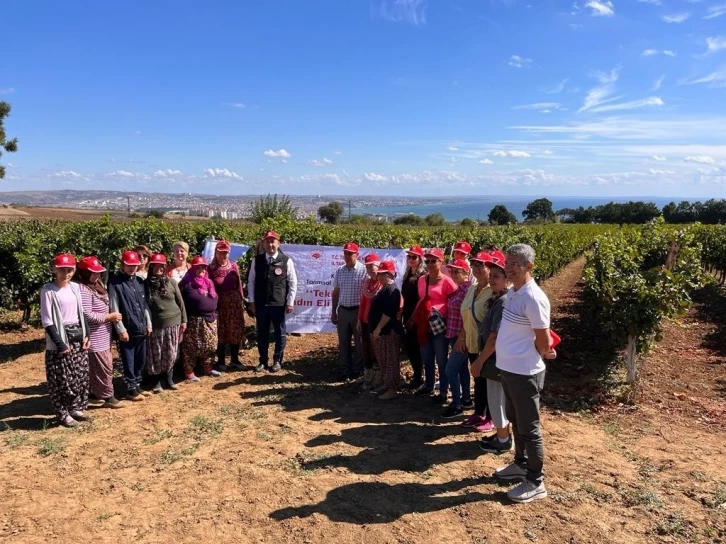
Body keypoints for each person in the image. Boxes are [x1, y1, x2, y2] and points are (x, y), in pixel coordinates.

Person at [493, 243, 556, 504]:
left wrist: (546, 351)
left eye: (515, 264)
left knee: (529, 428)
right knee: (517, 422)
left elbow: (544, 340)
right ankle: (520, 464)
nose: (509, 268)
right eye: (507, 263)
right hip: (509, 369)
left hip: (525, 373)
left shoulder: (533, 297)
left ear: (529, 267)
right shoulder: (515, 292)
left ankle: (535, 481)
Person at [40, 254, 92, 427]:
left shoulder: (76, 288)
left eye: (69, 270)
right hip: (60, 339)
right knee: (62, 379)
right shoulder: (48, 290)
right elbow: (47, 321)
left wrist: (87, 335)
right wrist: (60, 344)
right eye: (62, 270)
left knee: (80, 376)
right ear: (54, 270)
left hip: (77, 336)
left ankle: (75, 407)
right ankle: (62, 413)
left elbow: (81, 313)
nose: (65, 274)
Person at [470, 249, 512, 453]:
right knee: (498, 399)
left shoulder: (503, 302)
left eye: (497, 276)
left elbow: (494, 337)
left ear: (507, 279)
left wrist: (480, 360)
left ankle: (503, 441)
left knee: (497, 400)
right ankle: (502, 434)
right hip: (494, 357)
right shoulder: (497, 298)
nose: (493, 279)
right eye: (492, 275)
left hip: (495, 359)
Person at [73, 256, 124, 409]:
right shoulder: (83, 289)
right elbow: (87, 314)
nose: (96, 275)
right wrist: (109, 317)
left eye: (97, 273)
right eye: (92, 273)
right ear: (83, 273)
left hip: (104, 334)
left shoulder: (96, 285)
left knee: (99, 366)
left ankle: (95, 394)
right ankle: (108, 396)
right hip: (95, 335)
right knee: (104, 366)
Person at [248, 231, 298, 373]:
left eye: (273, 241)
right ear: (263, 244)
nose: (270, 244)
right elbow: (251, 281)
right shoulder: (256, 260)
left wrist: (290, 301)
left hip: (278, 304)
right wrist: (251, 301)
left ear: (278, 243)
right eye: (267, 241)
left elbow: (293, 282)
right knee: (262, 333)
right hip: (261, 304)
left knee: (279, 333)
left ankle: (277, 360)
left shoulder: (286, 260)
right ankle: (262, 361)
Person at [412, 248, 457, 399]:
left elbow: (454, 303)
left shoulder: (447, 281)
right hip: (425, 325)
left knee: (442, 359)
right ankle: (429, 385)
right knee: (427, 357)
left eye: (433, 261)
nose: (430, 264)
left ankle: (444, 391)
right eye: (427, 261)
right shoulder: (421, 280)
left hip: (440, 326)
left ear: (441, 262)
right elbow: (420, 300)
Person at [109, 250, 153, 401]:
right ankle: (131, 390)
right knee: (129, 361)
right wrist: (121, 329)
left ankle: (137, 386)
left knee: (140, 359)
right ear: (122, 264)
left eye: (134, 265)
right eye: (129, 265)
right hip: (127, 329)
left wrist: (148, 323)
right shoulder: (115, 283)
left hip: (140, 326)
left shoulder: (139, 282)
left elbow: (144, 304)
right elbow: (114, 308)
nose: (132, 268)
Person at [460, 251, 495, 431]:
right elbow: (466, 314)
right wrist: (463, 337)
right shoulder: (473, 288)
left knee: (488, 381)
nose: (477, 268)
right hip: (472, 343)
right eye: (474, 265)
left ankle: (491, 417)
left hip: (486, 345)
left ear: (490, 268)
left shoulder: (493, 291)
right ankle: (478, 412)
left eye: (482, 265)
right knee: (478, 379)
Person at [145, 253, 187, 392]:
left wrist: (184, 320)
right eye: (155, 265)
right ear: (150, 267)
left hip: (174, 322)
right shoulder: (146, 285)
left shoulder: (171, 282)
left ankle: (169, 380)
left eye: (161, 266)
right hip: (156, 324)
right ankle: (157, 382)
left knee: (171, 353)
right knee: (156, 354)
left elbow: (180, 303)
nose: (159, 268)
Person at [179, 256, 222, 381]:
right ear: (193, 268)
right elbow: (179, 301)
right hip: (195, 321)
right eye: (198, 267)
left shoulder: (209, 282)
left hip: (211, 319)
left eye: (203, 267)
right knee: (192, 347)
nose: (201, 269)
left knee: (211, 345)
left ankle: (207, 367)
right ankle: (189, 371)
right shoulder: (186, 283)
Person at [331, 242, 368, 380]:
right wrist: (333, 311)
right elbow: (336, 292)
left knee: (359, 342)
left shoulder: (363, 270)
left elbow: (367, 294)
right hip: (343, 311)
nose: (347, 256)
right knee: (344, 341)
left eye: (350, 253)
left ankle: (359, 370)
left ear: (357, 255)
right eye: (345, 253)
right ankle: (345, 369)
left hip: (357, 311)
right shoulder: (340, 270)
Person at [441, 258, 472, 418]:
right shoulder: (460, 289)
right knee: (461, 369)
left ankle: (456, 405)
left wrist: (462, 338)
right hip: (454, 335)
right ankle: (466, 399)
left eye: (457, 271)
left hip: (461, 337)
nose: (453, 274)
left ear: (466, 272)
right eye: (451, 271)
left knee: (450, 370)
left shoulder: (468, 291)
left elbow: (468, 317)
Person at [369, 261, 404, 400]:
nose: (380, 277)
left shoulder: (392, 290)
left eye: (383, 274)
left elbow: (388, 313)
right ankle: (386, 384)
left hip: (388, 331)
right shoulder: (384, 288)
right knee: (382, 359)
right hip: (381, 333)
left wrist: (378, 328)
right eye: (379, 274)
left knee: (390, 360)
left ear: (390, 274)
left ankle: (392, 388)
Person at [209, 240, 246, 372]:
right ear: (216, 252)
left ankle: (235, 360)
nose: (223, 255)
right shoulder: (211, 268)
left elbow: (239, 285)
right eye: (220, 252)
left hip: (234, 304)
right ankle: (221, 361)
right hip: (220, 304)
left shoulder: (234, 266)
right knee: (222, 331)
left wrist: (241, 300)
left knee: (235, 330)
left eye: (225, 252)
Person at [401, 246, 425, 390]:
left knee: (416, 347)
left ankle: (419, 377)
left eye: (414, 257)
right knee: (410, 347)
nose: (411, 259)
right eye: (409, 257)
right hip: (407, 314)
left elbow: (421, 300)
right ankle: (417, 376)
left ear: (420, 259)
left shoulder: (422, 276)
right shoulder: (407, 274)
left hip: (417, 316)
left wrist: (412, 318)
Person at [356, 253, 381, 389]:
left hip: (377, 323)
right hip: (365, 321)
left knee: (377, 351)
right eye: (367, 267)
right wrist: (359, 320)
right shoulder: (367, 283)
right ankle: (368, 377)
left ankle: (378, 379)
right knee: (367, 350)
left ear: (378, 266)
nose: (370, 269)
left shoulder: (382, 283)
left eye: (372, 266)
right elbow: (363, 303)